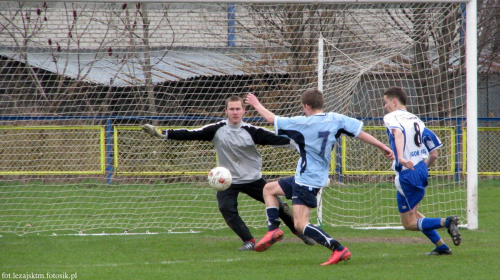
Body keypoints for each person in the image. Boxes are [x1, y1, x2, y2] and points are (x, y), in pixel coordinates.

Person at [141, 96, 315, 251]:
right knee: (226, 208)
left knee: (279, 207)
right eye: (231, 109)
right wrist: (162, 134)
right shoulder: (217, 129)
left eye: (238, 109)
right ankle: (249, 241)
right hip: (227, 180)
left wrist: (303, 142)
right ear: (226, 111)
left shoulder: (252, 131)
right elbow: (190, 134)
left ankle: (300, 232)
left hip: (253, 178)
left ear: (244, 111)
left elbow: (277, 139)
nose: (234, 112)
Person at [245, 89, 394, 265]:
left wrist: (256, 104)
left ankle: (338, 248)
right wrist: (382, 146)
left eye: (303, 107)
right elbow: (360, 133)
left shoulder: (302, 123)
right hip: (309, 175)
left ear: (307, 106)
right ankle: (273, 230)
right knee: (269, 189)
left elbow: (272, 119)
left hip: (307, 179)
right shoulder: (336, 119)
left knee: (301, 224)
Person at [382, 86, 461, 255]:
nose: (385, 106)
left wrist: (401, 158)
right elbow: (434, 154)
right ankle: (441, 247)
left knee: (409, 223)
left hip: (406, 173)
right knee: (415, 213)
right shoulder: (417, 120)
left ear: (394, 102)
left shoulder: (391, 117)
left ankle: (447, 222)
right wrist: (420, 169)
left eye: (386, 102)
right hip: (420, 169)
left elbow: (398, 134)